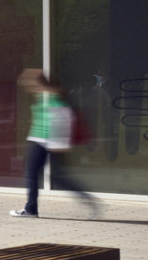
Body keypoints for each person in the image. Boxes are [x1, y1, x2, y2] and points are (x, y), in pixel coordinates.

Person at [13, 69, 97, 218]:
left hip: (47, 140)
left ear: (37, 82)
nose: (27, 85)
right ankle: (31, 209)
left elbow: (64, 118)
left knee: (52, 177)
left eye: (29, 82)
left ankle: (87, 199)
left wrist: (60, 144)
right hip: (39, 139)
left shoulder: (50, 96)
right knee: (36, 175)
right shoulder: (43, 95)